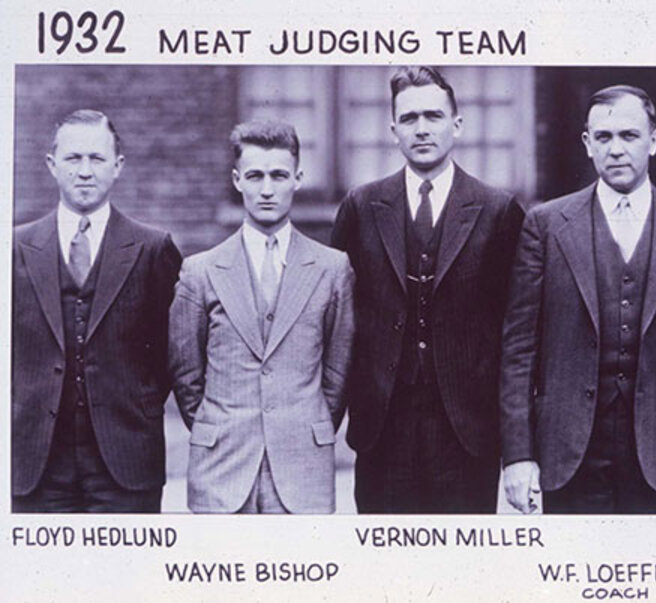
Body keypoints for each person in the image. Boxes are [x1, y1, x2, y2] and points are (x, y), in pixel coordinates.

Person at [501, 85, 656, 514]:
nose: (616, 149)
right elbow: (519, 350)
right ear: (587, 144)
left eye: (629, 136)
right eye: (604, 137)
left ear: (654, 141)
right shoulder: (546, 225)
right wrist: (519, 456)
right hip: (569, 455)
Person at [331, 66, 525, 513]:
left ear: (456, 125)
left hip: (466, 431)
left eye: (434, 117)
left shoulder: (498, 211)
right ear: (393, 129)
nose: (422, 129)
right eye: (410, 118)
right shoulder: (362, 207)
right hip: (383, 428)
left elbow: (517, 331)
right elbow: (337, 315)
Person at [169, 120, 354, 514]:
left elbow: (337, 373)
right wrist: (219, 425)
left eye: (278, 175)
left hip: (302, 470)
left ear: (298, 178)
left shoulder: (331, 268)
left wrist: (305, 425)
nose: (267, 189)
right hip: (222, 469)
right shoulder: (200, 271)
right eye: (255, 176)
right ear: (237, 180)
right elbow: (187, 375)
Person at [12, 109, 182, 513]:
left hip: (124, 462)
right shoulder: (15, 248)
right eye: (73, 159)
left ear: (118, 167)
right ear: (52, 165)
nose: (85, 171)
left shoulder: (153, 248)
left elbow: (171, 354)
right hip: (35, 461)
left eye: (97, 159)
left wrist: (133, 407)